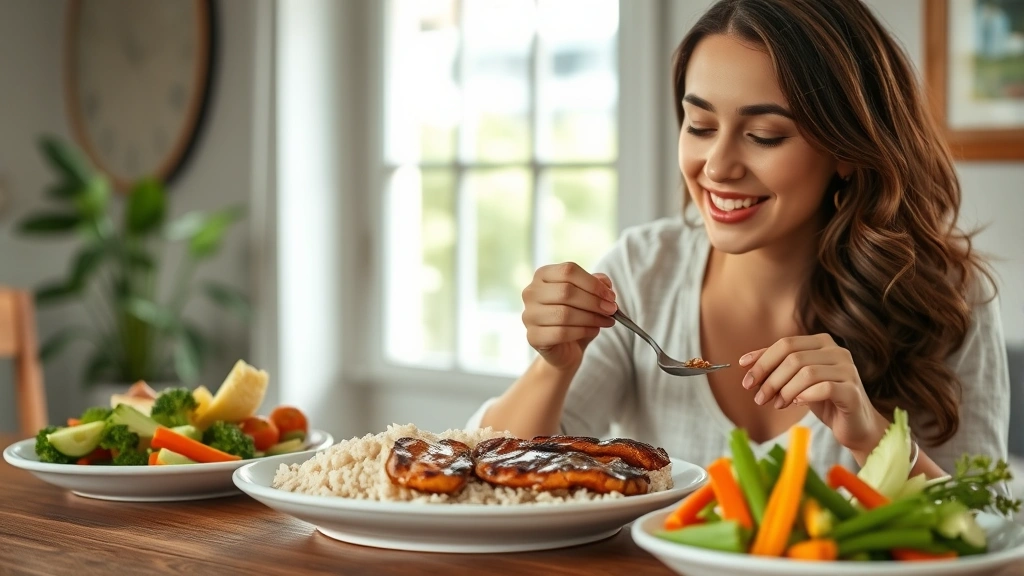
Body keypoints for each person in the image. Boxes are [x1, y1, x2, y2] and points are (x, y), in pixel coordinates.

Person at [467, 0, 1010, 478]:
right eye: (699, 126)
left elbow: (987, 534)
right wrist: (554, 366)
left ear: (846, 149)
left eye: (763, 136)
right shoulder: (642, 272)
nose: (718, 167)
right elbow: (482, 473)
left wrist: (874, 439)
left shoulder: (949, 300)